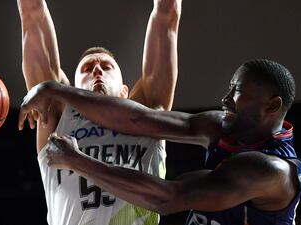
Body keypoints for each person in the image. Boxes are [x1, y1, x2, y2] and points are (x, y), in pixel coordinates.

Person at [19, 59, 301, 225]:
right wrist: (55, 90)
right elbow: (139, 120)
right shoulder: (224, 126)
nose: (225, 99)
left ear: (272, 105)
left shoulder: (271, 171)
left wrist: (76, 160)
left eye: (238, 92)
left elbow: (166, 199)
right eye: (229, 88)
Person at [16, 0, 182, 224]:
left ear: (125, 91)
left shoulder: (148, 112)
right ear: (71, 90)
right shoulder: (55, 110)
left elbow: (166, 15)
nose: (96, 70)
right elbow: (32, 13)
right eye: (86, 68)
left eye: (106, 67)